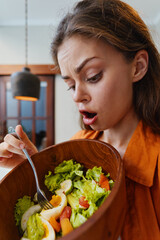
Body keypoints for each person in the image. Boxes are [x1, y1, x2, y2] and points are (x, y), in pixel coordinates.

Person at [0, 0, 160, 239]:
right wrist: (35, 170)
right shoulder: (78, 145)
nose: (77, 96)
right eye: (70, 85)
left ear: (137, 67)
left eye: (93, 76)